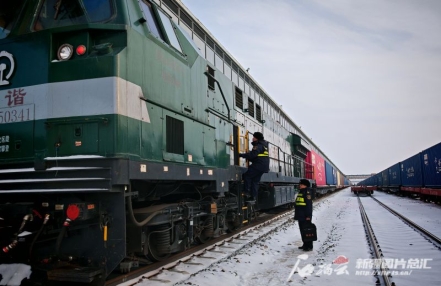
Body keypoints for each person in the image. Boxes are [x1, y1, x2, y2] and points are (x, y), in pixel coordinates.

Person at [238, 132, 269, 201]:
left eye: (254, 137)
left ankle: (246, 192)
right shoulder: (264, 145)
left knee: (247, 176)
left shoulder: (258, 145)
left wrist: (241, 155)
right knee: (255, 181)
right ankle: (253, 197)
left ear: (257, 138)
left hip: (258, 165)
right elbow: (256, 156)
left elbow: (252, 155)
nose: (252, 138)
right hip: (263, 166)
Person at [294, 178, 313, 251]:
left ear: (305, 185)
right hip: (300, 215)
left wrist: (308, 216)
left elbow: (309, 206)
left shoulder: (307, 193)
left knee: (307, 231)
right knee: (303, 231)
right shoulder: (301, 192)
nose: (300, 185)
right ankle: (305, 244)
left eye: (301, 184)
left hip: (305, 216)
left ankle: (309, 246)